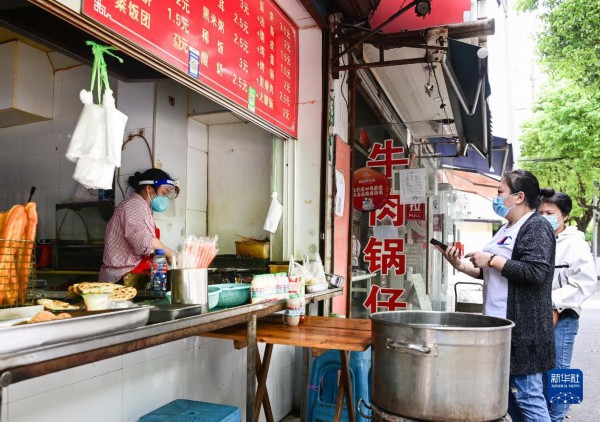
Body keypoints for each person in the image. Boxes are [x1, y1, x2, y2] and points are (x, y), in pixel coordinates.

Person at [436, 170, 556, 421]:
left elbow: (536, 272)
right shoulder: (505, 228)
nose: (497, 197)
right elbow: (489, 273)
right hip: (499, 328)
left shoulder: (536, 226)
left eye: (501, 192)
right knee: (509, 397)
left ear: (519, 196)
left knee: (527, 396)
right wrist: (458, 264)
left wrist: (491, 259)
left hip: (524, 331)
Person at [538, 190, 597, 421]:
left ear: (564, 216)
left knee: (561, 369)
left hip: (564, 315)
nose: (544, 217)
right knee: (539, 369)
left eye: (549, 213)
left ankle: (557, 417)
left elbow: (585, 282)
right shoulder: (536, 238)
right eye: (540, 212)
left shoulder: (575, 244)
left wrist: (553, 303)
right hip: (537, 313)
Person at [99, 168, 178, 283]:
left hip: (130, 274)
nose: (165, 198)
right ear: (149, 188)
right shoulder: (134, 205)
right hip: (121, 277)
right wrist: (171, 254)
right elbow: (144, 241)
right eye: (164, 193)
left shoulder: (144, 207)